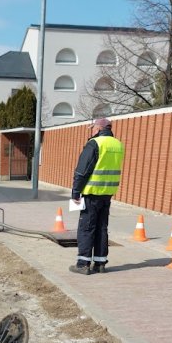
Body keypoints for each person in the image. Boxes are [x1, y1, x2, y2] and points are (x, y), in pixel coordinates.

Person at [69, 117, 125, 275]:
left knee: (87, 228)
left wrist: (75, 192)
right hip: (107, 193)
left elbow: (82, 170)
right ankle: (100, 263)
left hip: (91, 193)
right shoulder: (118, 145)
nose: (92, 131)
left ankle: (83, 264)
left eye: (93, 128)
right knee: (102, 227)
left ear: (99, 129)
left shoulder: (95, 143)